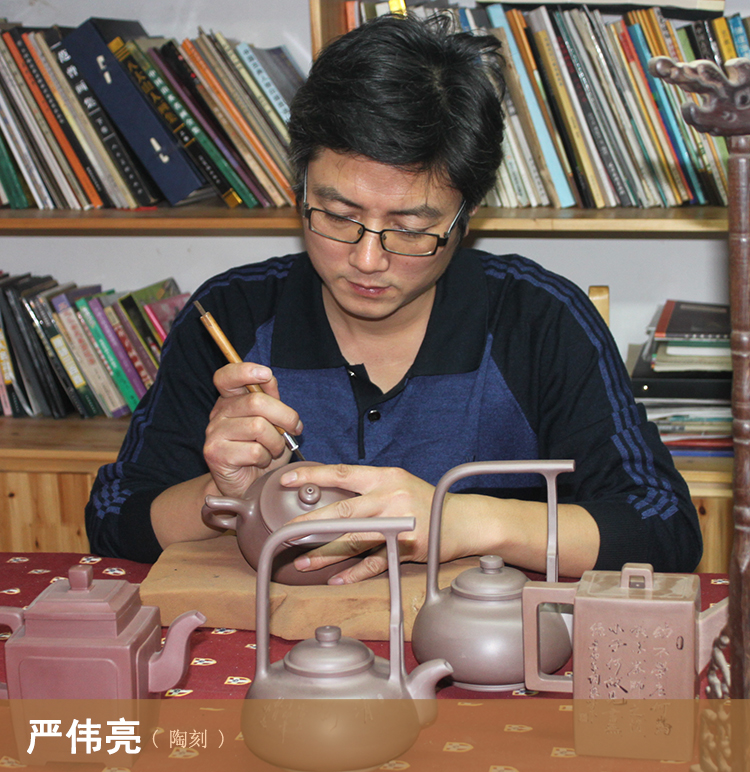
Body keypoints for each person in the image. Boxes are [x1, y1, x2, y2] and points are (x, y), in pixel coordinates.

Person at [85, 13, 702, 580]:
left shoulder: (539, 319)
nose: (367, 259)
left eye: (410, 229)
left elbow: (663, 526)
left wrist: (461, 520)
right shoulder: (232, 315)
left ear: (466, 218)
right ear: (300, 187)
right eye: (337, 215)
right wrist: (225, 494)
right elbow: (112, 519)